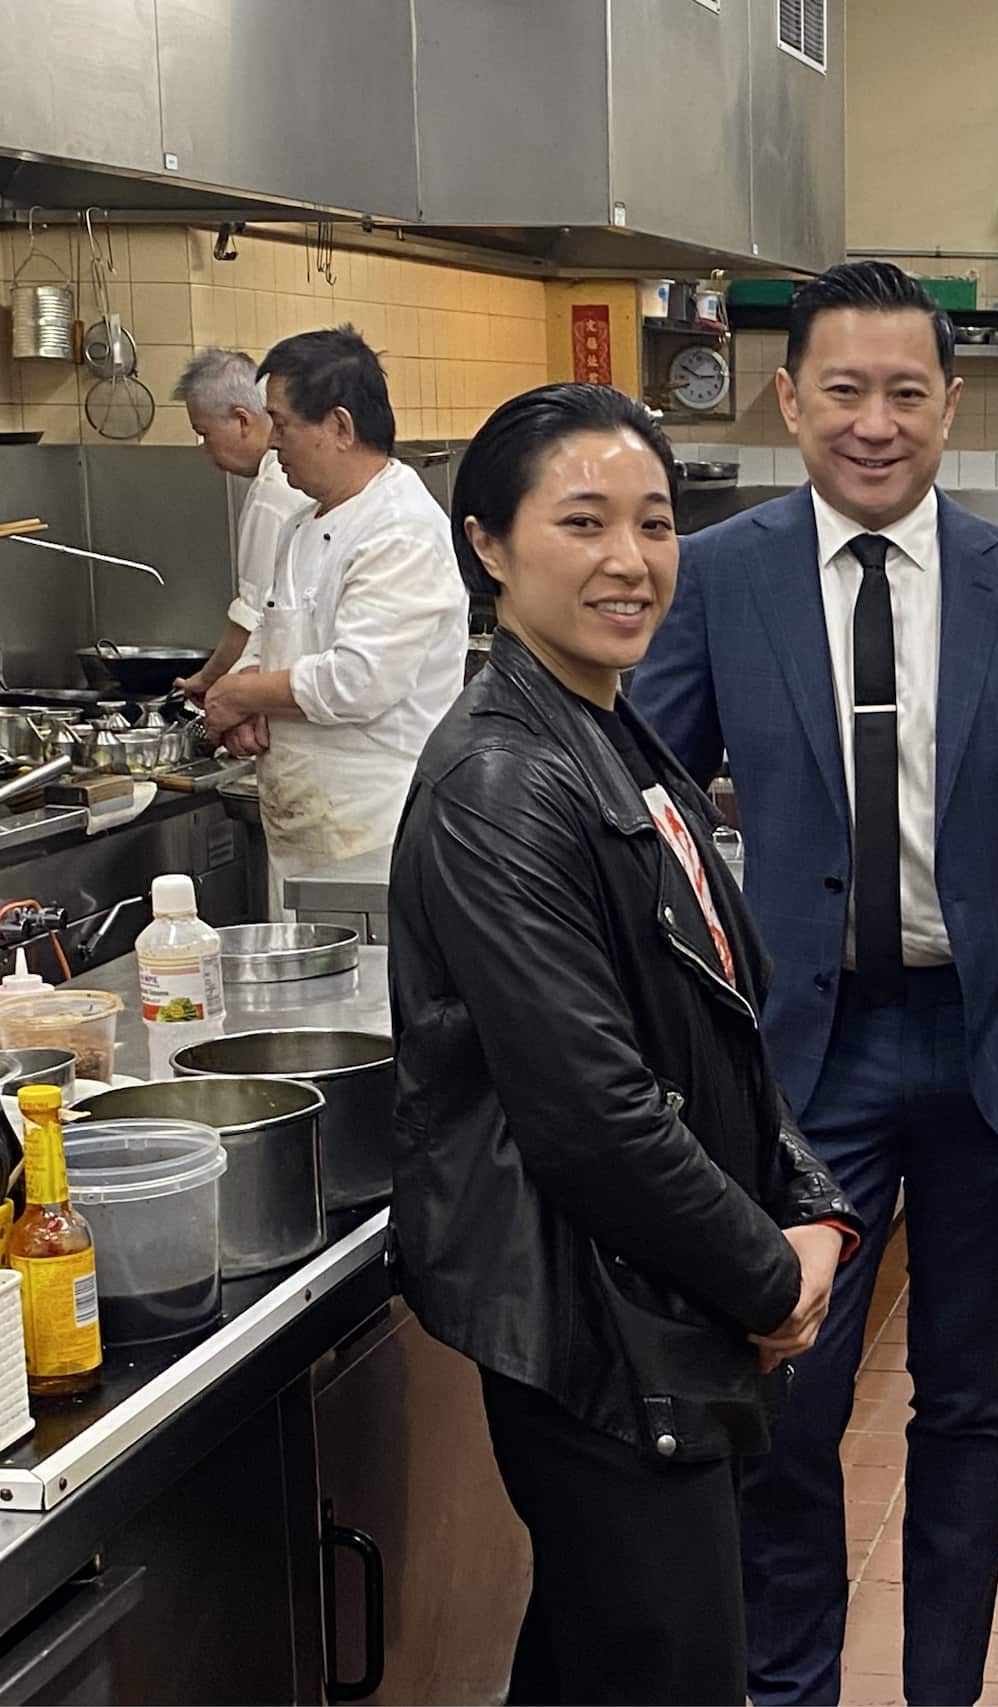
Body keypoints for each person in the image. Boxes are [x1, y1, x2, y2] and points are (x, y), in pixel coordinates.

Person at [630, 261, 998, 1707]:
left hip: (996, 1051)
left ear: (949, 403)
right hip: (807, 1059)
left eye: (904, 391)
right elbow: (642, 804)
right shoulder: (720, 579)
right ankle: (790, 1687)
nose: (874, 421)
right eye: (842, 389)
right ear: (789, 400)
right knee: (789, 1402)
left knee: (966, 1401)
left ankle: (942, 1689)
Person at [387, 382, 863, 1707]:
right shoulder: (499, 778)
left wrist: (809, 1207)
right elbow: (591, 1106)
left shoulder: (609, 728)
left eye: (654, 523)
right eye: (583, 520)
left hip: (659, 1293)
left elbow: (716, 1012)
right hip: (596, 1322)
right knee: (666, 1666)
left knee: (604, 1658)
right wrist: (770, 1273)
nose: (629, 558)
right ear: (488, 542)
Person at [202, 326, 468, 916]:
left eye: (284, 424)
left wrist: (243, 692)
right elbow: (272, 633)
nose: (273, 444)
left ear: (341, 427)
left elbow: (359, 680)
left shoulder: (400, 529)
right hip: (303, 828)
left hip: (375, 828)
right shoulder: (301, 522)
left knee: (372, 1001)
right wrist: (247, 699)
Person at [172, 347, 307, 699]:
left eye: (205, 433)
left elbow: (251, 616)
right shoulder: (291, 479)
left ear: (242, 419)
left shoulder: (274, 490)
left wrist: (206, 681)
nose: (205, 448)